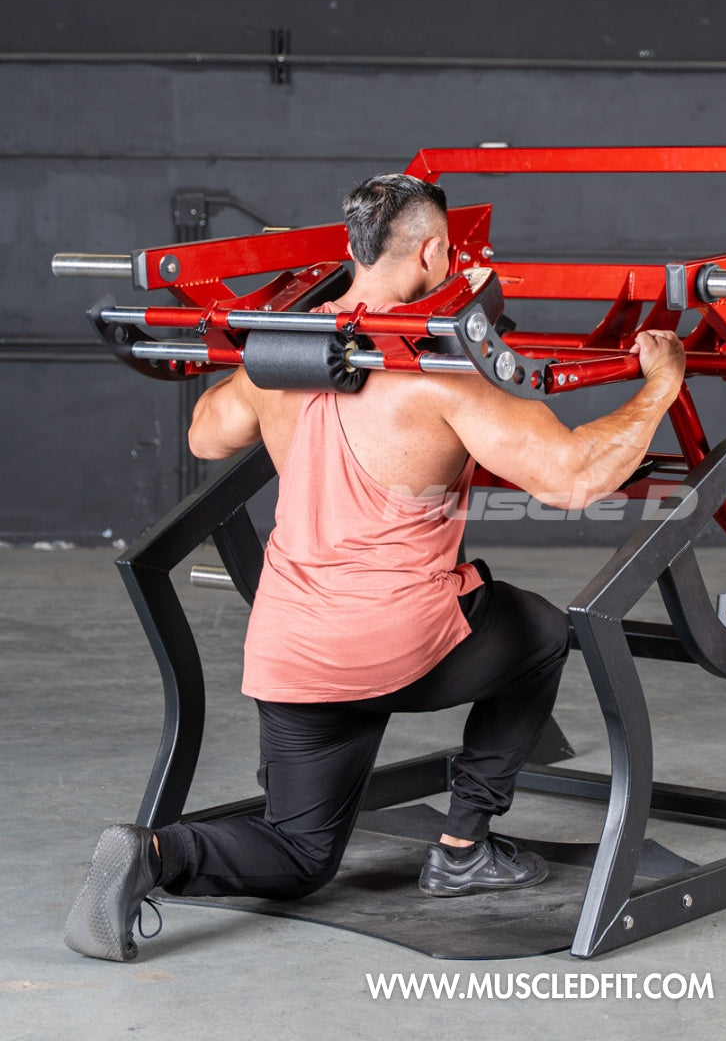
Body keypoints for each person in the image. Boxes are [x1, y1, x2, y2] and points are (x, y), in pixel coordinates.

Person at [64, 173, 687, 962]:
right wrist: (660, 385)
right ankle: (463, 849)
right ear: (433, 252)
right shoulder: (441, 374)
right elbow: (574, 478)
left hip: (291, 654)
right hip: (402, 646)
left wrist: (261, 360)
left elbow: (205, 435)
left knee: (298, 855)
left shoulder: (285, 352)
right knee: (538, 630)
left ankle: (152, 853)